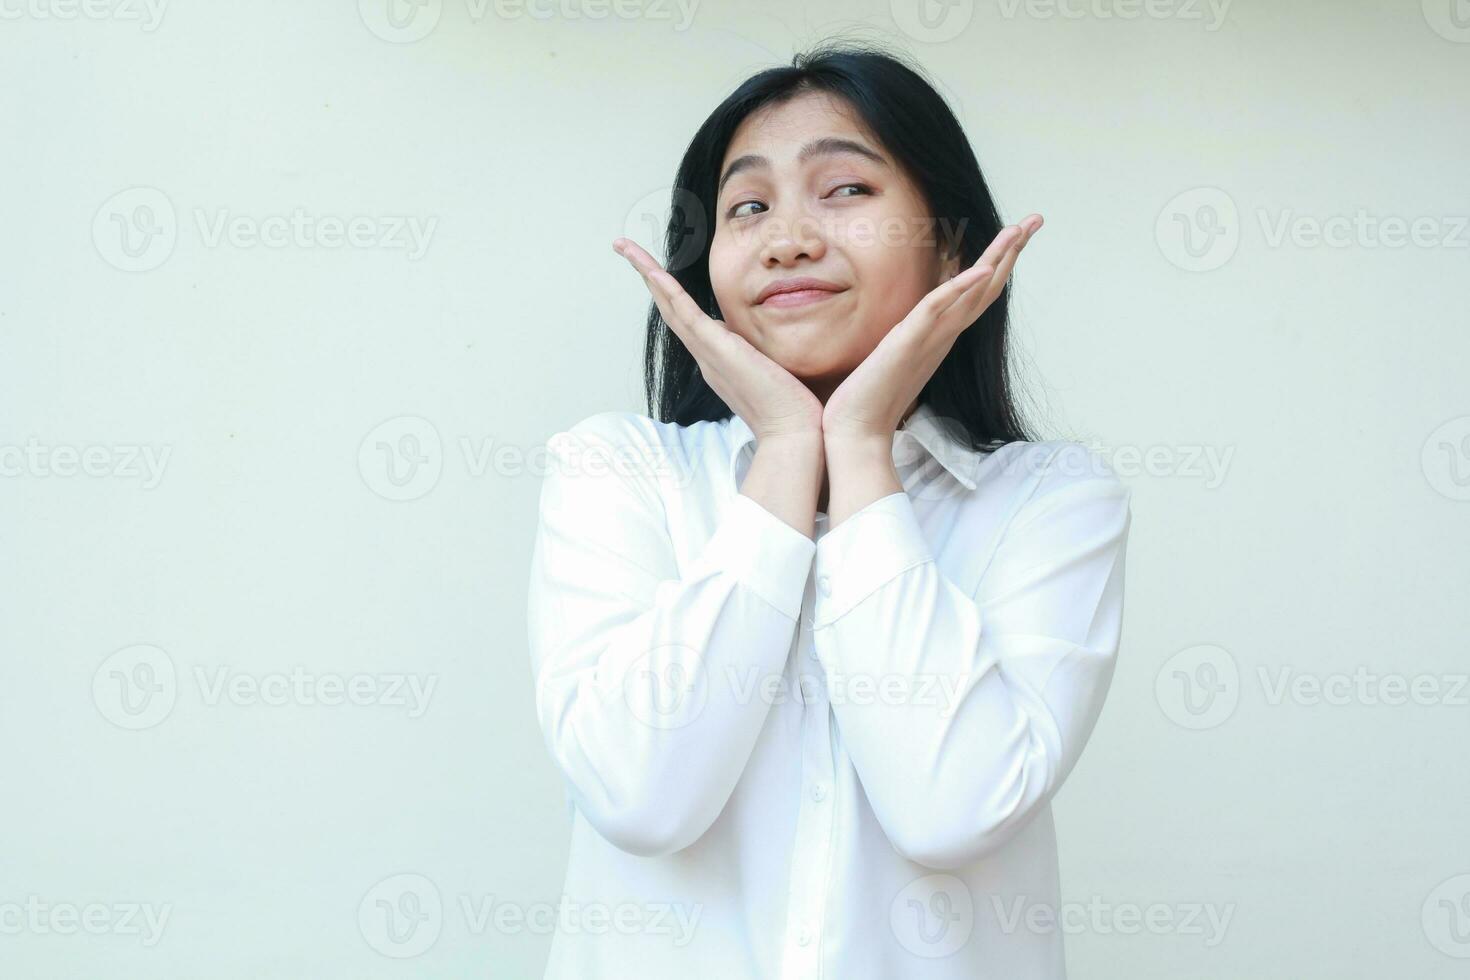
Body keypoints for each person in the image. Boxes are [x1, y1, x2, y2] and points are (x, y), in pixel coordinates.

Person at [526, 41, 1133, 980]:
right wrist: (782, 454)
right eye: (749, 206)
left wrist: (854, 451)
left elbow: (951, 809)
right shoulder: (615, 472)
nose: (789, 239)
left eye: (845, 191)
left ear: (952, 246)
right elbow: (641, 797)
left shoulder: (1051, 501)